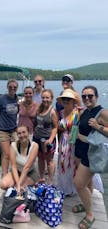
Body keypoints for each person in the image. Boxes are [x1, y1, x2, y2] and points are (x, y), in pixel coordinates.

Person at [73, 85, 108, 229]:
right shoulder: (86, 111)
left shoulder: (102, 112)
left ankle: (89, 214)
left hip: (91, 154)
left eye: (90, 96)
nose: (87, 98)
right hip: (81, 151)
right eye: (84, 96)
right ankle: (86, 202)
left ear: (96, 97)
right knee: (87, 183)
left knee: (78, 184)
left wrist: (97, 126)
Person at [0, 125, 39, 193]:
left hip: (29, 173)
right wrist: (18, 184)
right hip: (17, 171)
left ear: (28, 133)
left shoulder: (34, 146)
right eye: (19, 133)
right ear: (17, 135)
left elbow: (26, 167)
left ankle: (24, 189)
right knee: (3, 184)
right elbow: (14, 166)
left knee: (21, 186)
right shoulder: (13, 145)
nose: (22, 135)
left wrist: (18, 184)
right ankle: (15, 189)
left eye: (24, 132)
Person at [0, 79, 19, 177]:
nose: (12, 88)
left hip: (14, 130)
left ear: (17, 88)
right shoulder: (1, 99)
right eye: (10, 87)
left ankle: (12, 171)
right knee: (7, 154)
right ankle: (4, 174)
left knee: (13, 153)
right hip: (2, 130)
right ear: (7, 87)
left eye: (15, 87)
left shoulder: (17, 99)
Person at [56, 89, 80, 196]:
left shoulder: (77, 113)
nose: (66, 101)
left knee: (71, 166)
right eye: (64, 99)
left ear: (73, 101)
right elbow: (59, 129)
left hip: (73, 143)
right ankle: (63, 187)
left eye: (68, 99)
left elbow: (78, 130)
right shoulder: (61, 113)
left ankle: (71, 189)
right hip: (62, 142)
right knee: (62, 165)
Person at [33, 89, 58, 184]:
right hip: (37, 138)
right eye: (43, 97)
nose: (45, 99)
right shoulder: (39, 108)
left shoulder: (52, 111)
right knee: (40, 159)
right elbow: (35, 122)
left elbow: (55, 127)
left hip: (47, 139)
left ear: (51, 99)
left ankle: (51, 180)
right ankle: (41, 177)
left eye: (47, 97)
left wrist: (51, 139)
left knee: (49, 160)